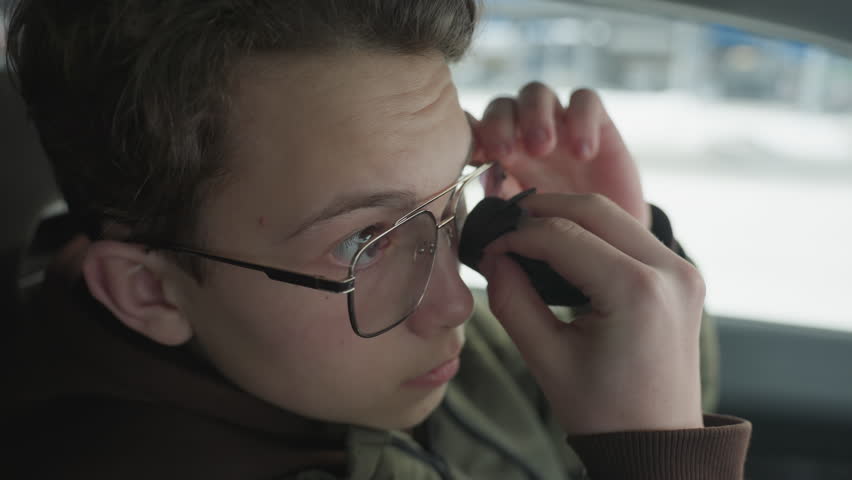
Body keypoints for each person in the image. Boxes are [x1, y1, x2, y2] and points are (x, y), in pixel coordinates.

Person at [1, 1, 750, 478]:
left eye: (454, 188)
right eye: (363, 242)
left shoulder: (375, 348)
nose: (457, 302)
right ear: (148, 290)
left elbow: (589, 424)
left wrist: (608, 280)